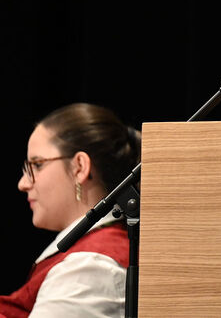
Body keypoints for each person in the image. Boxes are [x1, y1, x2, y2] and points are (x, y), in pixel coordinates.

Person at [1, 103, 141, 318]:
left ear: (79, 167)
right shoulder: (85, 256)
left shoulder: (90, 267)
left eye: (37, 164)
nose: (23, 183)